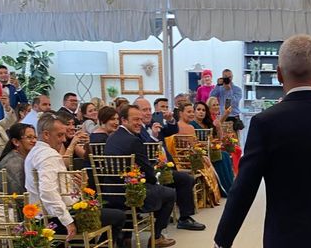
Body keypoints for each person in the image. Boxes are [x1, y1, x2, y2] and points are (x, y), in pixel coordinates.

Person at [215, 34, 311, 248]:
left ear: (278, 74)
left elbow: (244, 188)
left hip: (283, 238)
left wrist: (222, 240)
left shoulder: (264, 122)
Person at [25, 113, 126, 246]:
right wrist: (68, 221)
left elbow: (55, 188)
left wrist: (78, 185)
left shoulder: (34, 152)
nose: (63, 140)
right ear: (46, 135)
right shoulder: (48, 155)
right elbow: (47, 192)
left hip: (43, 216)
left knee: (105, 210)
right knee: (119, 216)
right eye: (60, 135)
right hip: (54, 219)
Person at [104, 104, 178, 247]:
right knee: (170, 193)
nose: (139, 123)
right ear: (124, 120)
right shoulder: (134, 140)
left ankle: (126, 238)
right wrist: (155, 180)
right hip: (130, 193)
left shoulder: (112, 138)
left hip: (110, 192)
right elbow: (148, 171)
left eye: (140, 119)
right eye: (135, 119)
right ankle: (156, 237)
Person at [133, 98, 204, 232]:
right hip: (152, 171)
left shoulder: (155, 122)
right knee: (183, 179)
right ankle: (162, 221)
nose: (148, 113)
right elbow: (144, 150)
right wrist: (153, 136)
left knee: (186, 179)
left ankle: (184, 217)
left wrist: (171, 120)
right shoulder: (136, 130)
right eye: (144, 110)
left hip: (165, 166)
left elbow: (171, 130)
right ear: (136, 113)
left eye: (149, 110)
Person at [191, 101, 234, 195]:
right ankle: (224, 188)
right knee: (221, 156)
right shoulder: (192, 125)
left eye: (203, 110)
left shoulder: (207, 124)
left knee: (225, 155)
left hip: (211, 149)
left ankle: (231, 186)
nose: (201, 112)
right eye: (198, 110)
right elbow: (194, 142)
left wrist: (218, 128)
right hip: (201, 152)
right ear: (194, 111)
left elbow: (219, 139)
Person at [0, 123, 38, 194]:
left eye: (35, 137)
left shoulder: (24, 157)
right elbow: (18, 195)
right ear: (16, 142)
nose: (34, 141)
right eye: (29, 137)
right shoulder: (13, 163)